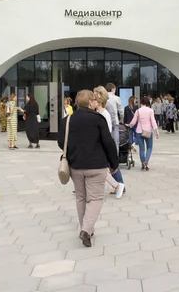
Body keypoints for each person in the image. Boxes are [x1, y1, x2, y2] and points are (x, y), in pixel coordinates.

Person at [57, 90, 119, 248]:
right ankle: (86, 230)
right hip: (96, 165)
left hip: (75, 165)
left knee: (81, 198)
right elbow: (108, 142)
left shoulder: (67, 120)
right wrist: (114, 163)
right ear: (91, 102)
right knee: (95, 199)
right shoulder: (97, 119)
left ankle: (87, 229)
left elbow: (60, 142)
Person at [94, 86, 125, 198]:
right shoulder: (99, 112)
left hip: (103, 144)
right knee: (110, 165)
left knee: (110, 165)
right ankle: (118, 185)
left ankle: (119, 185)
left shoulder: (105, 112)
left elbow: (108, 128)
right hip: (102, 144)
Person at [104, 83, 126, 189]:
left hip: (107, 126)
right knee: (115, 143)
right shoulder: (116, 98)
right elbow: (121, 110)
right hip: (115, 123)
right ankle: (115, 158)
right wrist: (122, 119)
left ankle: (118, 184)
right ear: (113, 89)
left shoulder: (105, 100)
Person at [127, 97, 159, 170]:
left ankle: (142, 163)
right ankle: (146, 161)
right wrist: (156, 131)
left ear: (141, 103)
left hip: (139, 131)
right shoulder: (150, 111)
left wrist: (129, 125)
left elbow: (134, 121)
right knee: (149, 147)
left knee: (142, 149)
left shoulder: (138, 111)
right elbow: (153, 121)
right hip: (148, 131)